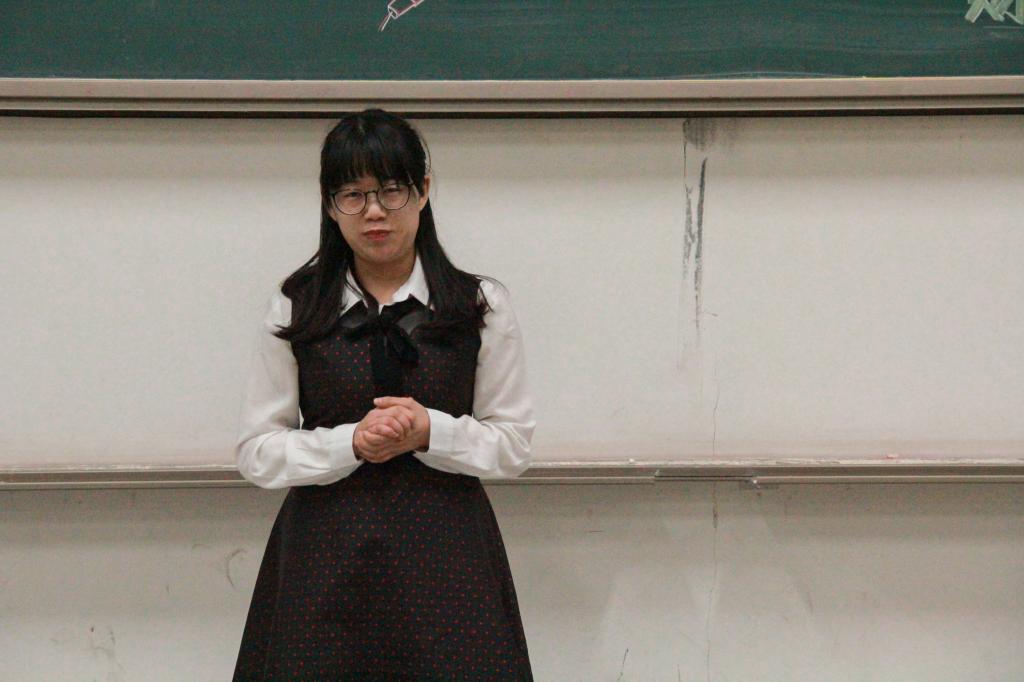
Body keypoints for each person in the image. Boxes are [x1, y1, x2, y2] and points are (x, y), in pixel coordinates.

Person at [232, 109, 535, 680]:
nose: (374, 211)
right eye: (353, 194)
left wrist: (430, 432)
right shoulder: (296, 305)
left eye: (392, 190)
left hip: (448, 561)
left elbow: (513, 443)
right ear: (330, 205)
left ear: (423, 191)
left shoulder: (478, 305)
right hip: (324, 560)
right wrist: (350, 444)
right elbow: (258, 451)